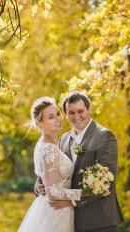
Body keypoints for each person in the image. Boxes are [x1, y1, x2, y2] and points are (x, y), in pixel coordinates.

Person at [36, 91, 124, 232]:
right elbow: (54, 174)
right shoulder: (63, 139)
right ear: (65, 114)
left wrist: (73, 201)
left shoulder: (104, 136)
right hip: (69, 221)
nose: (77, 117)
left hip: (99, 220)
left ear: (89, 110)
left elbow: (107, 181)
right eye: (71, 112)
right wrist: (40, 186)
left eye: (81, 111)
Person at [18, 97, 85, 232]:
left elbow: (46, 181)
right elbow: (53, 191)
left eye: (58, 114)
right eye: (50, 117)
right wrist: (84, 193)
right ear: (40, 123)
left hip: (58, 210)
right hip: (56, 213)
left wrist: (39, 186)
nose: (58, 119)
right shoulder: (48, 149)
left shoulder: (47, 144)